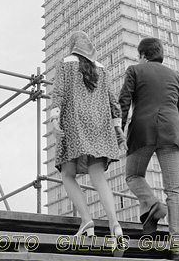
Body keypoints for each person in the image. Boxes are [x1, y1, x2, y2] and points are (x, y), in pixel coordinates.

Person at [50, 31, 127, 256]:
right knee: (98, 176)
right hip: (100, 126)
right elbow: (114, 101)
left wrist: (55, 120)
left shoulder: (65, 63)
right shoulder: (102, 69)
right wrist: (118, 127)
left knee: (67, 174)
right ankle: (115, 226)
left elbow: (59, 94)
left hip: (74, 122)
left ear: (72, 46)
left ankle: (86, 220)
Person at [119, 37, 179, 261]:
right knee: (175, 190)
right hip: (172, 132)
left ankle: (152, 203)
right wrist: (178, 138)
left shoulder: (135, 70)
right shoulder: (176, 76)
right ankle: (177, 248)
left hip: (143, 131)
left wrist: (119, 131)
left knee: (133, 175)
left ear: (142, 55)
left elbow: (124, 102)